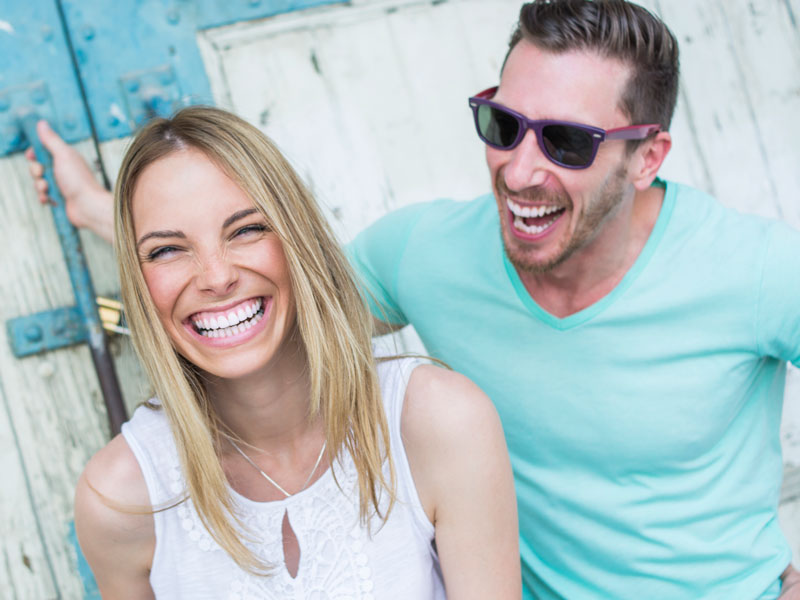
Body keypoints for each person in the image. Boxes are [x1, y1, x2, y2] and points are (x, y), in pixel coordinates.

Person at [25, 1, 800, 598]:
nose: (520, 170)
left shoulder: (758, 270)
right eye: (503, 125)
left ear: (647, 156)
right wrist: (108, 214)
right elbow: (269, 309)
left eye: (566, 143)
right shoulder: (423, 253)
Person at [67, 106, 519, 598]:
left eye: (246, 230)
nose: (217, 278)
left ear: (297, 240)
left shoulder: (437, 422)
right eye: (167, 250)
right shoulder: (119, 500)